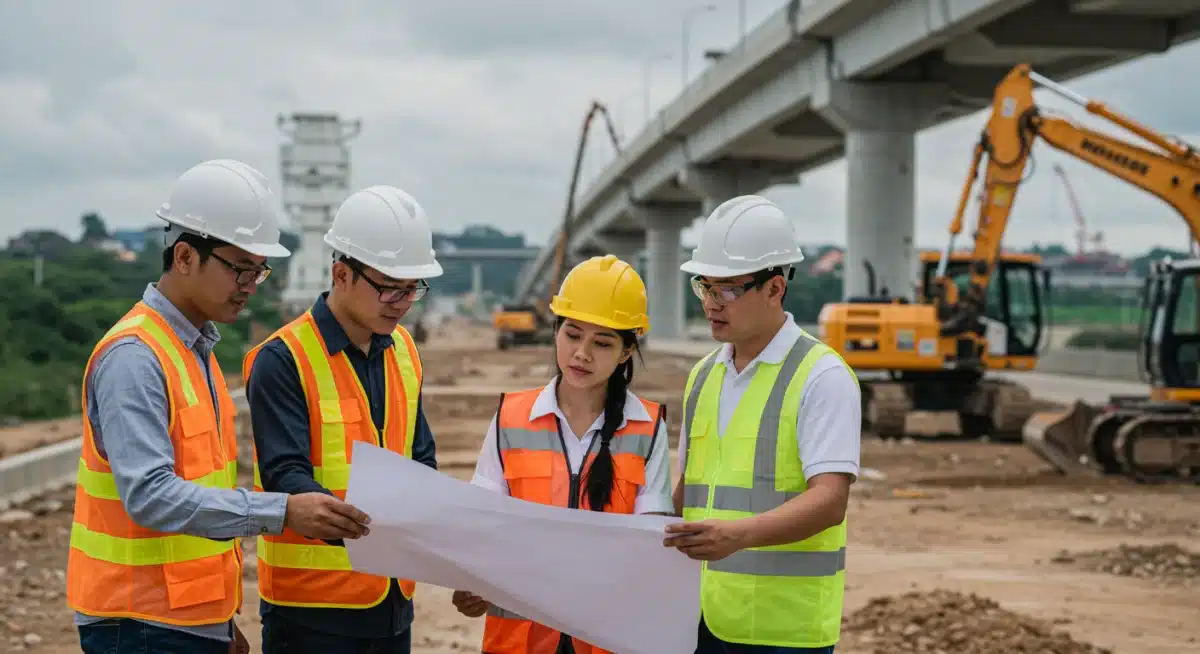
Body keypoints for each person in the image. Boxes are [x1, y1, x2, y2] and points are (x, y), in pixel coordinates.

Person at [67, 159, 373, 654]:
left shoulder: (195, 352)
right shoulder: (135, 357)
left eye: (260, 269)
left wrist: (219, 620)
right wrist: (284, 511)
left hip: (186, 621)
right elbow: (150, 495)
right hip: (139, 625)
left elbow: (200, 493)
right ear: (184, 256)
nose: (253, 284)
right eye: (240, 268)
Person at [243, 184, 444, 654]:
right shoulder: (283, 359)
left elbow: (420, 455)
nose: (401, 300)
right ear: (341, 274)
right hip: (312, 611)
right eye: (389, 286)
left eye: (412, 288)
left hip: (391, 599)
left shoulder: (405, 353)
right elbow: (284, 473)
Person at [662, 195, 861, 654]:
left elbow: (830, 501)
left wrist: (737, 536)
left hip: (783, 631)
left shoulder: (821, 376)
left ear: (775, 288)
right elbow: (691, 487)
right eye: (704, 287)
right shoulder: (704, 375)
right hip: (703, 620)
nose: (711, 303)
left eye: (727, 289)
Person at [450, 254, 674, 654]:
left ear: (626, 352)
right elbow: (481, 524)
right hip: (521, 642)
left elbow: (648, 545)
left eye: (602, 342)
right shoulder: (510, 418)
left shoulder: (647, 429)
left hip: (605, 639)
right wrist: (473, 582)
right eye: (572, 335)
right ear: (555, 332)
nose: (582, 353)